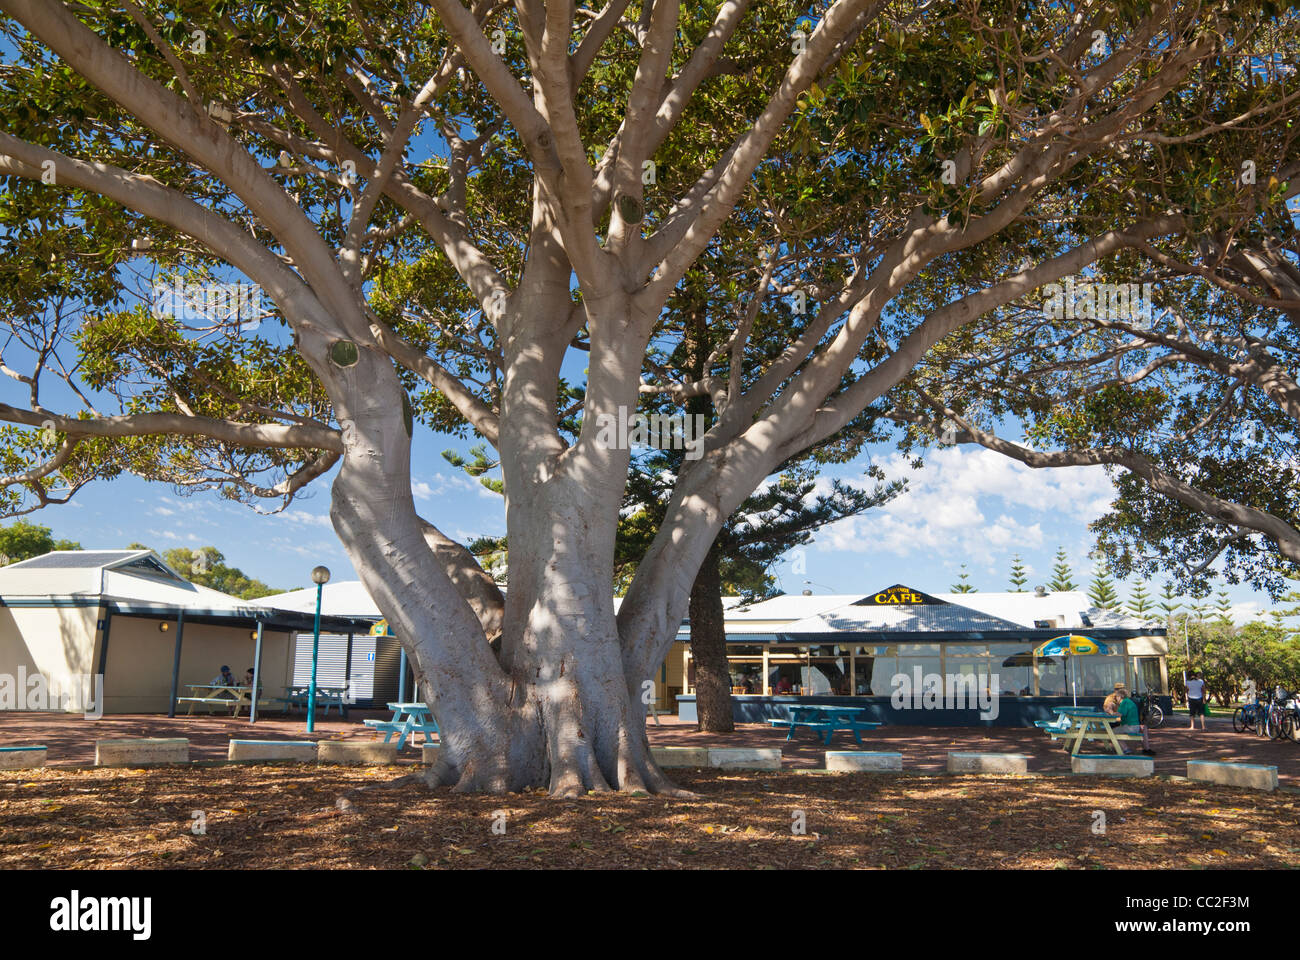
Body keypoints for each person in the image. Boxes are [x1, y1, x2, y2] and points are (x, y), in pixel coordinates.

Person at [1113, 682, 1154, 755]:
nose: (1116, 699)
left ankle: (1126, 749)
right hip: (1135, 726)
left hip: (1130, 727)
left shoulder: (1124, 702)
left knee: (1112, 732)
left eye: (1116, 697)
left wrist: (1110, 712)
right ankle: (1126, 748)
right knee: (1116, 730)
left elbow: (1119, 714)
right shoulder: (1129, 701)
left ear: (1120, 696)